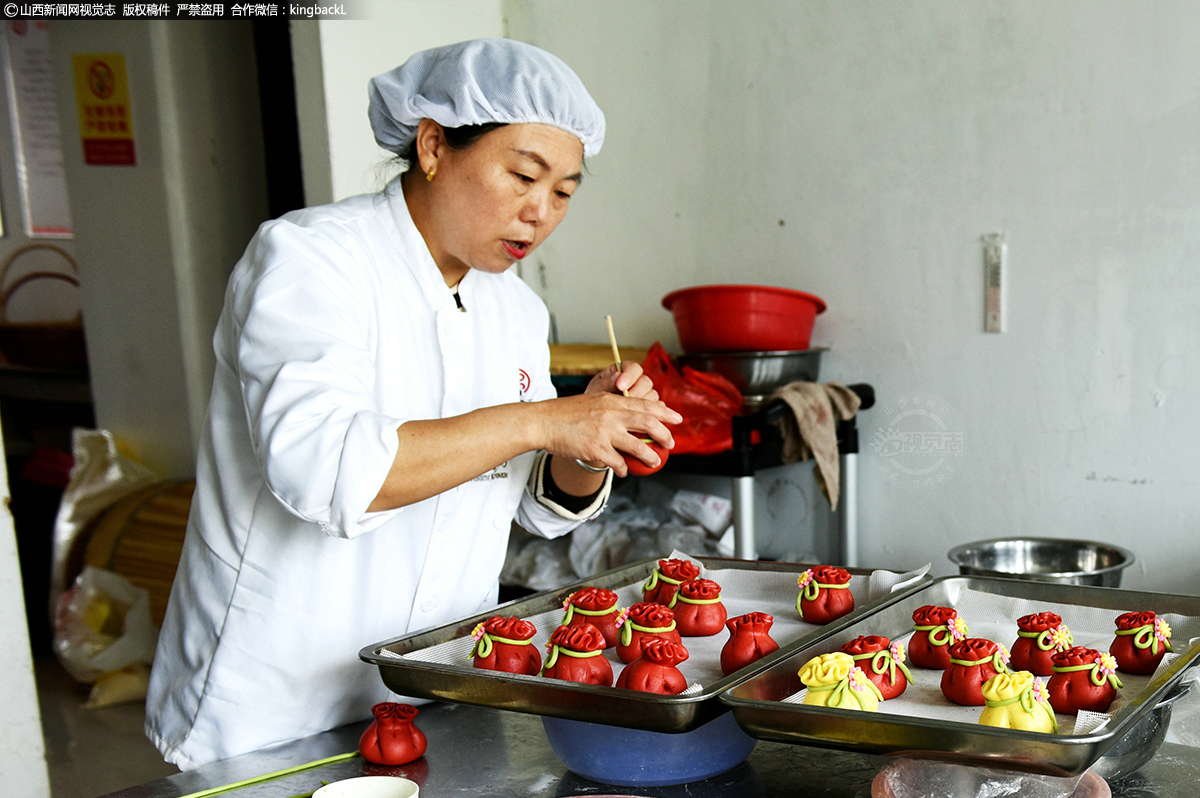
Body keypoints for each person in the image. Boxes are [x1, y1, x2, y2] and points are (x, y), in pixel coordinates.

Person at [144, 38, 680, 769]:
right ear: (433, 146)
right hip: (275, 705)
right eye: (523, 175)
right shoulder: (311, 260)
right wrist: (544, 419)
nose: (539, 213)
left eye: (563, 192)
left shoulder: (517, 312)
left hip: (430, 688)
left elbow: (537, 507)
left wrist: (580, 447)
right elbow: (327, 473)